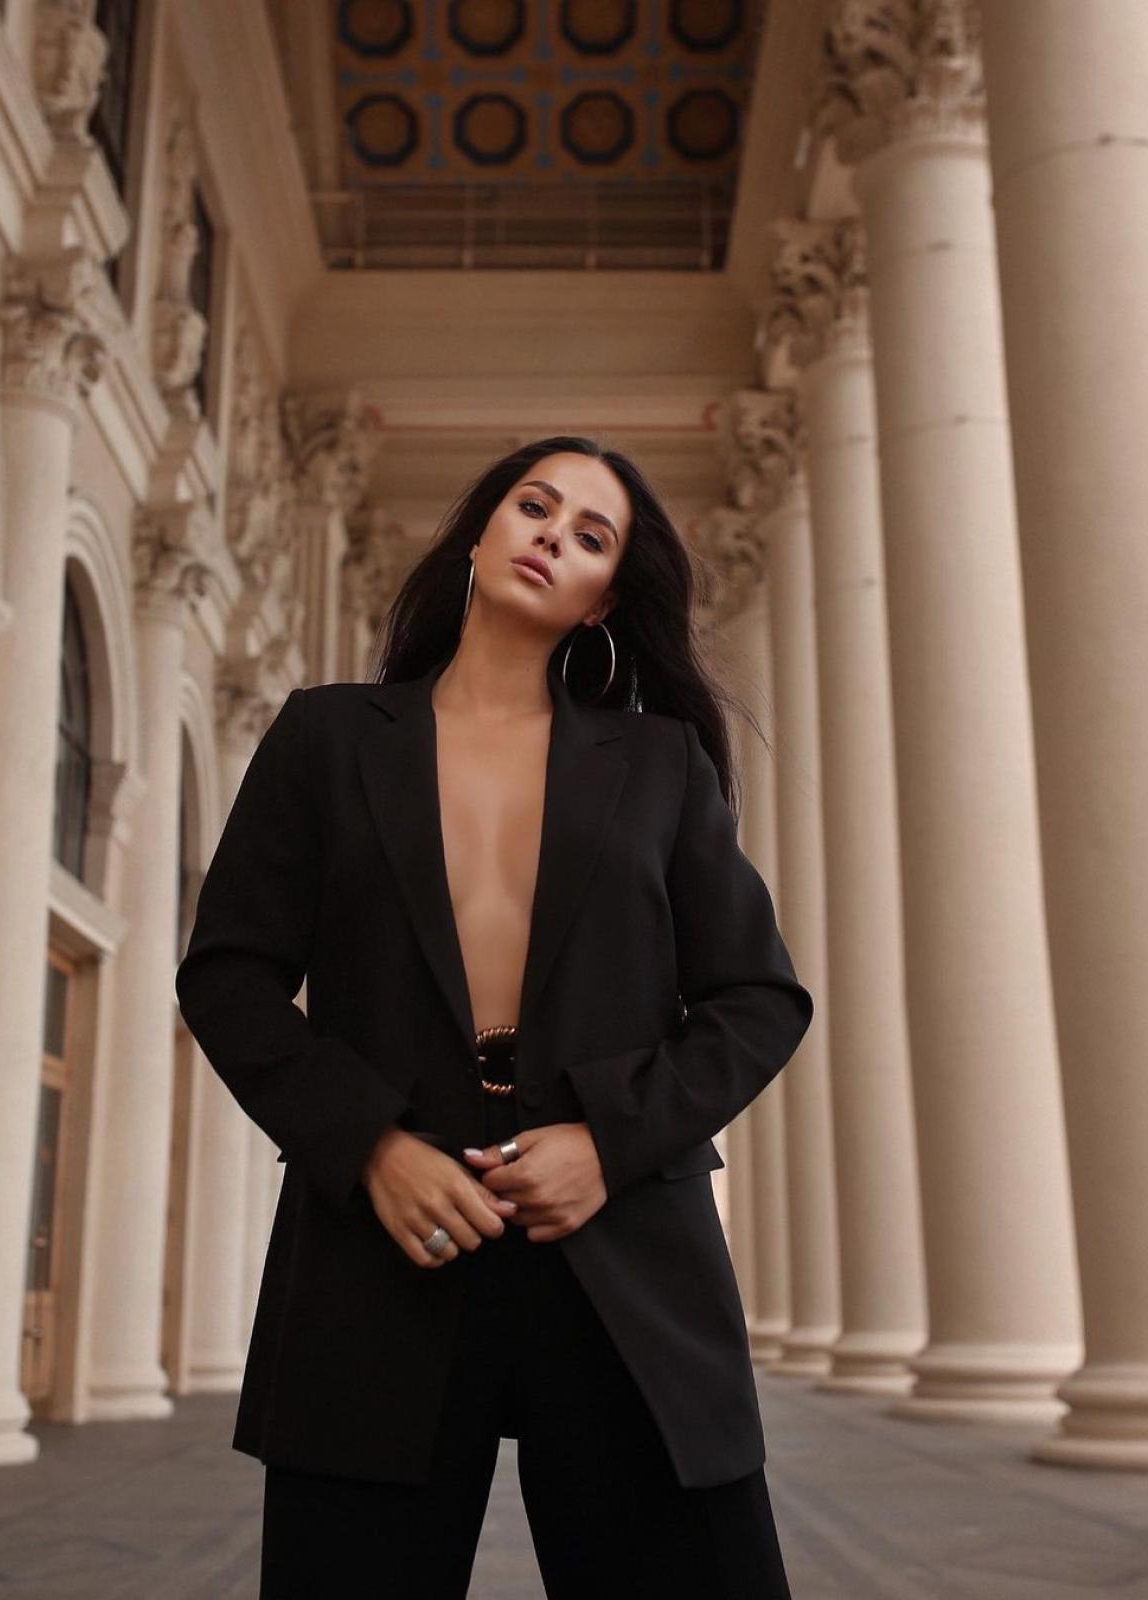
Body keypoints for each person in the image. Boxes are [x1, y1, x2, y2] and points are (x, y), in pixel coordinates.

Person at [174, 435, 814, 1598]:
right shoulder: (325, 737)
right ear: (479, 532)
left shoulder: (659, 764)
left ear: (601, 599)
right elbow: (227, 976)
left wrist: (607, 1143)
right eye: (534, 506)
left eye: (589, 536)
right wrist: (371, 1145)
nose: (551, 536)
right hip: (386, 1251)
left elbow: (757, 997)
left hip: (621, 1254)